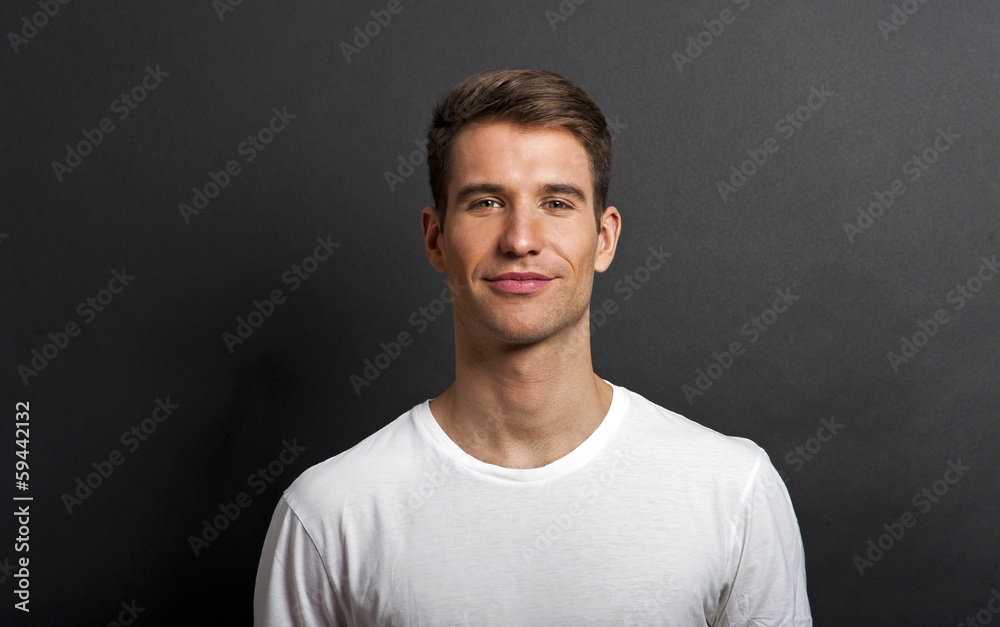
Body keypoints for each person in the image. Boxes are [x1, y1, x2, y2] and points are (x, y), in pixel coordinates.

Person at [254, 68, 812, 626]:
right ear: (435, 238)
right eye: (486, 202)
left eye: (557, 203)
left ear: (605, 238)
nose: (521, 239)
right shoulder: (329, 515)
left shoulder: (734, 491)